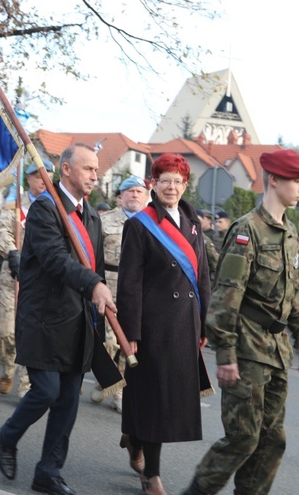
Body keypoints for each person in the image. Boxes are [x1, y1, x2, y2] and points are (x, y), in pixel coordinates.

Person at [183, 149, 299, 495]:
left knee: (272, 440)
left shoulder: (289, 233)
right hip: (246, 348)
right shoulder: (247, 230)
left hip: (277, 349)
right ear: (274, 180)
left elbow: (294, 291)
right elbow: (227, 296)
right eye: (297, 181)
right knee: (243, 437)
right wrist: (225, 354)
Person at [0, 144, 114, 495]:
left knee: (69, 401)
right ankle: (7, 435)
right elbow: (54, 259)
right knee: (45, 391)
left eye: (96, 170)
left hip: (78, 322)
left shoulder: (91, 216)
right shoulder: (46, 209)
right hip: (44, 318)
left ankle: (48, 471)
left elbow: (97, 269)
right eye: (88, 168)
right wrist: (93, 284)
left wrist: (101, 310)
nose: (95, 175)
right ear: (65, 169)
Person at [117, 155, 212, 495]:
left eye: (178, 181)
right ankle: (151, 475)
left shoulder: (193, 222)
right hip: (153, 326)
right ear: (152, 184)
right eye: (165, 180)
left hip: (184, 325)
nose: (172, 187)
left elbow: (202, 276)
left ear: (185, 186)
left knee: (169, 401)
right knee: (156, 399)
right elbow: (129, 283)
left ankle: (135, 436)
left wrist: (203, 325)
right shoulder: (139, 225)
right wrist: (132, 332)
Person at [0, 159, 55, 397]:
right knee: (5, 332)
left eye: (46, 175)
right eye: (37, 176)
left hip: (42, 282)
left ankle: (27, 387)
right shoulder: (16, 205)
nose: (42, 180)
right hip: (13, 277)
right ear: (28, 178)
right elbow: (3, 232)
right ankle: (8, 368)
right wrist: (12, 252)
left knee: (33, 337)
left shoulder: (57, 207)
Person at [91, 175, 150, 413]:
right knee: (109, 342)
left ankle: (120, 391)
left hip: (140, 290)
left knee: (130, 342)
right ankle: (107, 380)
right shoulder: (104, 221)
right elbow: (94, 256)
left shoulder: (154, 224)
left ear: (146, 197)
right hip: (110, 286)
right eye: (130, 191)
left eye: (139, 191)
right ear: (120, 197)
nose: (134, 195)